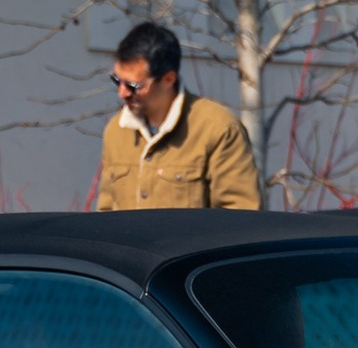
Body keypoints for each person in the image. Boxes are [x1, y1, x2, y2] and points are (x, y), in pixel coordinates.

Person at [96, 20, 261, 211]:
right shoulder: (116, 131)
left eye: (134, 86)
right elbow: (105, 213)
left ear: (168, 79)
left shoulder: (219, 129)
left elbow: (241, 217)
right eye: (117, 80)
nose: (122, 92)